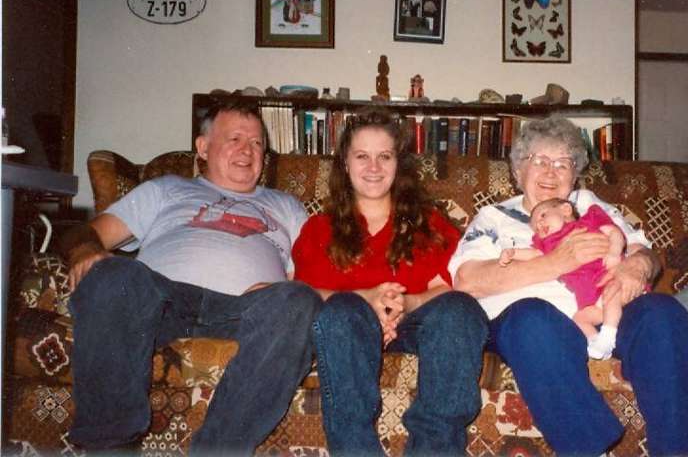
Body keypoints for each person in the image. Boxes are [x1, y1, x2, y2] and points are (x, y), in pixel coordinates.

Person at [61, 100, 322, 455]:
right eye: (234, 139)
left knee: (299, 302)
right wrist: (84, 252)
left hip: (245, 311)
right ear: (203, 147)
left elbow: (314, 274)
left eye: (257, 143)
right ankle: (110, 448)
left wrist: (285, 290)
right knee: (113, 275)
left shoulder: (286, 205)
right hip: (158, 301)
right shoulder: (165, 189)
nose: (247, 150)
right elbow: (87, 233)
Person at [449, 116, 688, 456]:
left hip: (604, 309)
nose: (551, 172)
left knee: (663, 312)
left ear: (574, 176)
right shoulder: (493, 218)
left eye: (563, 163)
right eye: (540, 161)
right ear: (518, 171)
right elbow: (466, 281)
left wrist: (636, 266)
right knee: (531, 318)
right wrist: (557, 262)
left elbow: (644, 253)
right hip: (529, 326)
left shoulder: (588, 205)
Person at [292, 109, 488, 456]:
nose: (374, 167)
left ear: (399, 164)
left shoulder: (428, 223)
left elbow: (448, 288)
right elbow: (304, 294)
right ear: (345, 164)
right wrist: (367, 301)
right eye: (362, 156)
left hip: (415, 328)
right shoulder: (319, 228)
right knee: (342, 310)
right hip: (346, 333)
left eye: (384, 156)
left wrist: (406, 303)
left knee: (461, 309)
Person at [499, 197, 626, 359]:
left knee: (611, 292)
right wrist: (513, 253)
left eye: (543, 215)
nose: (539, 224)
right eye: (536, 227)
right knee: (579, 319)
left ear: (566, 209)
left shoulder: (588, 221)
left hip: (610, 278)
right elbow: (534, 254)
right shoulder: (548, 243)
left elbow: (614, 233)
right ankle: (597, 343)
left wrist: (614, 252)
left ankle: (608, 336)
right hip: (592, 300)